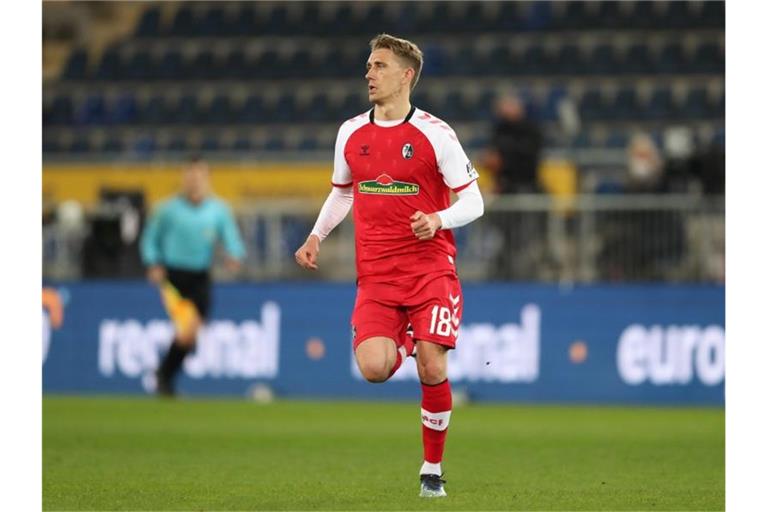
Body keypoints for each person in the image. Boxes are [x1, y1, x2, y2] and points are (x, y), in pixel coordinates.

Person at [294, 34, 484, 498]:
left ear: (406, 76)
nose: (369, 74)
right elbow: (343, 192)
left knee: (432, 366)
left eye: (378, 66)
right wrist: (316, 235)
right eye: (368, 65)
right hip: (376, 275)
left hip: (429, 269)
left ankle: (431, 470)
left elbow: (474, 201)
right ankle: (404, 338)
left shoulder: (436, 135)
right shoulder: (350, 132)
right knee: (375, 368)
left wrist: (438, 218)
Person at [140, 156, 245, 396]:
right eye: (191, 175)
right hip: (174, 277)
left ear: (207, 179)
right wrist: (153, 262)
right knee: (186, 332)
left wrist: (234, 254)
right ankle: (164, 377)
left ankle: (163, 375)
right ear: (184, 178)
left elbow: (232, 239)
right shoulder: (167, 210)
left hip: (200, 277)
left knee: (190, 335)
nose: (195, 181)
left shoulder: (218, 210)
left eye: (200, 176)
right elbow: (150, 239)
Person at [482, 95, 545, 279]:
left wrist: (503, 161)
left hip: (525, 188)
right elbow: (492, 154)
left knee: (525, 236)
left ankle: (525, 274)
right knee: (502, 234)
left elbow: (528, 159)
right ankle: (502, 272)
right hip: (504, 189)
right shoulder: (499, 128)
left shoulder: (531, 129)